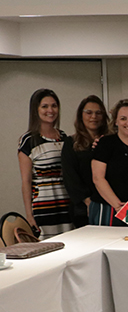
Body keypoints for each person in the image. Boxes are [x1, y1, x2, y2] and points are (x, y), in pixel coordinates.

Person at [17, 88, 72, 237]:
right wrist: (29, 215)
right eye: (44, 106)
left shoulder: (63, 137)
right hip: (43, 207)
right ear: (36, 110)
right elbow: (26, 181)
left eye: (54, 106)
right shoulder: (28, 140)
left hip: (67, 205)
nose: (50, 110)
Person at [61, 95, 109, 228]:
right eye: (89, 112)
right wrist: (88, 202)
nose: (94, 117)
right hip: (83, 208)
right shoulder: (71, 143)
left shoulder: (110, 141)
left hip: (109, 205)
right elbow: (70, 177)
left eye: (98, 113)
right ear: (80, 115)